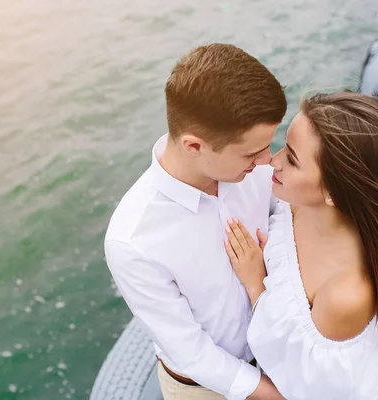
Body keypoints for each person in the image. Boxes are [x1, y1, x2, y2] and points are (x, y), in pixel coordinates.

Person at [104, 43, 287, 399]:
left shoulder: (252, 170)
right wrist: (274, 394)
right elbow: (192, 353)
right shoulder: (132, 240)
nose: (268, 160)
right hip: (203, 388)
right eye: (252, 152)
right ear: (193, 146)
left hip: (276, 350)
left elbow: (284, 213)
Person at [224, 91, 378, 400]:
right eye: (285, 145)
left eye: (293, 159)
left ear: (334, 193)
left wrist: (257, 285)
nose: (273, 160)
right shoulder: (296, 203)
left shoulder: (346, 295)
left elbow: (307, 384)